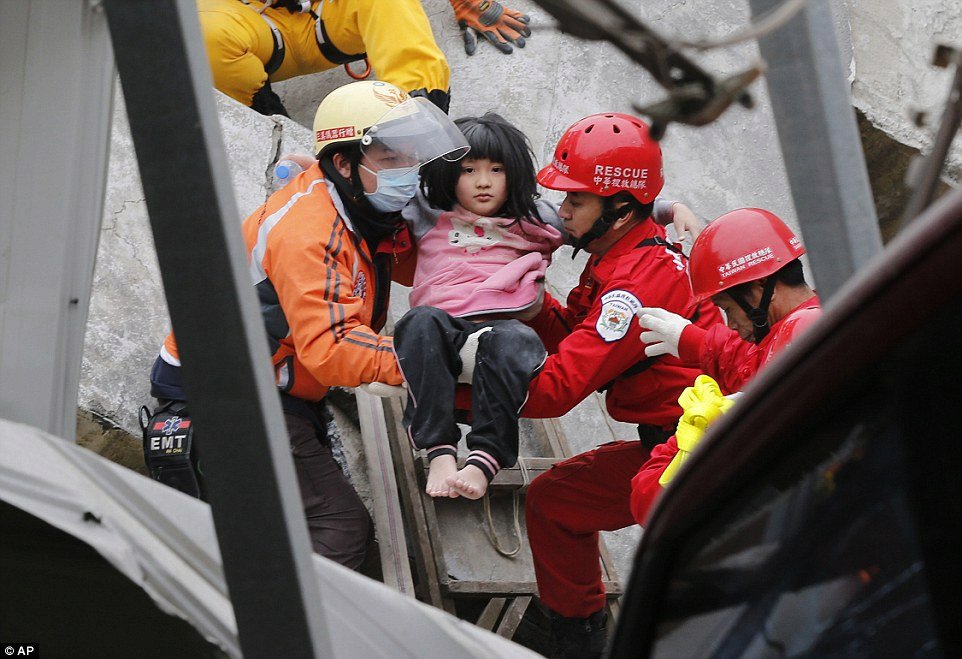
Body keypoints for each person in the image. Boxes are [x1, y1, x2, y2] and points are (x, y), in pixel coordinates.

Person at [141, 80, 468, 571]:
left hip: (272, 388)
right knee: (339, 529)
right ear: (343, 163)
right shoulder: (308, 232)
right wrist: (429, 361)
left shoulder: (358, 205)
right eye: (391, 158)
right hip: (225, 395)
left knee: (301, 537)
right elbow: (332, 347)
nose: (408, 173)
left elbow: (416, 261)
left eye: (410, 157)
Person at [517, 112, 724, 658]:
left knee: (684, 584)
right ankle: (576, 638)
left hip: (695, 451)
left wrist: (445, 387)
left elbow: (557, 389)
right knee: (554, 502)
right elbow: (573, 337)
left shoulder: (634, 281)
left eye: (576, 201)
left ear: (620, 207)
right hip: (671, 441)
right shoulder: (629, 252)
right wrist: (531, 301)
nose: (562, 211)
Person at [391, 113, 563, 500]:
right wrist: (315, 173)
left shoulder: (535, 218)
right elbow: (373, 192)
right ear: (450, 174)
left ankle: (484, 458)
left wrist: (667, 210)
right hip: (443, 322)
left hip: (500, 324)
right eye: (469, 170)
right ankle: (439, 451)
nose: (483, 181)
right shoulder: (427, 211)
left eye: (496, 169)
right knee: (417, 323)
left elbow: (597, 212)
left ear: (514, 174)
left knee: (516, 339)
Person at [630, 207, 822, 521]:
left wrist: (689, 437)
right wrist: (695, 342)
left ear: (761, 288)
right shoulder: (809, 320)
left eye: (728, 308)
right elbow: (752, 364)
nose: (730, 325)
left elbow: (656, 502)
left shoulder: (799, 334)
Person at [197, 0, 531, 117]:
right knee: (204, 33)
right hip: (244, 21)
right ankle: (266, 121)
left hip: (327, 17)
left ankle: (418, 114)